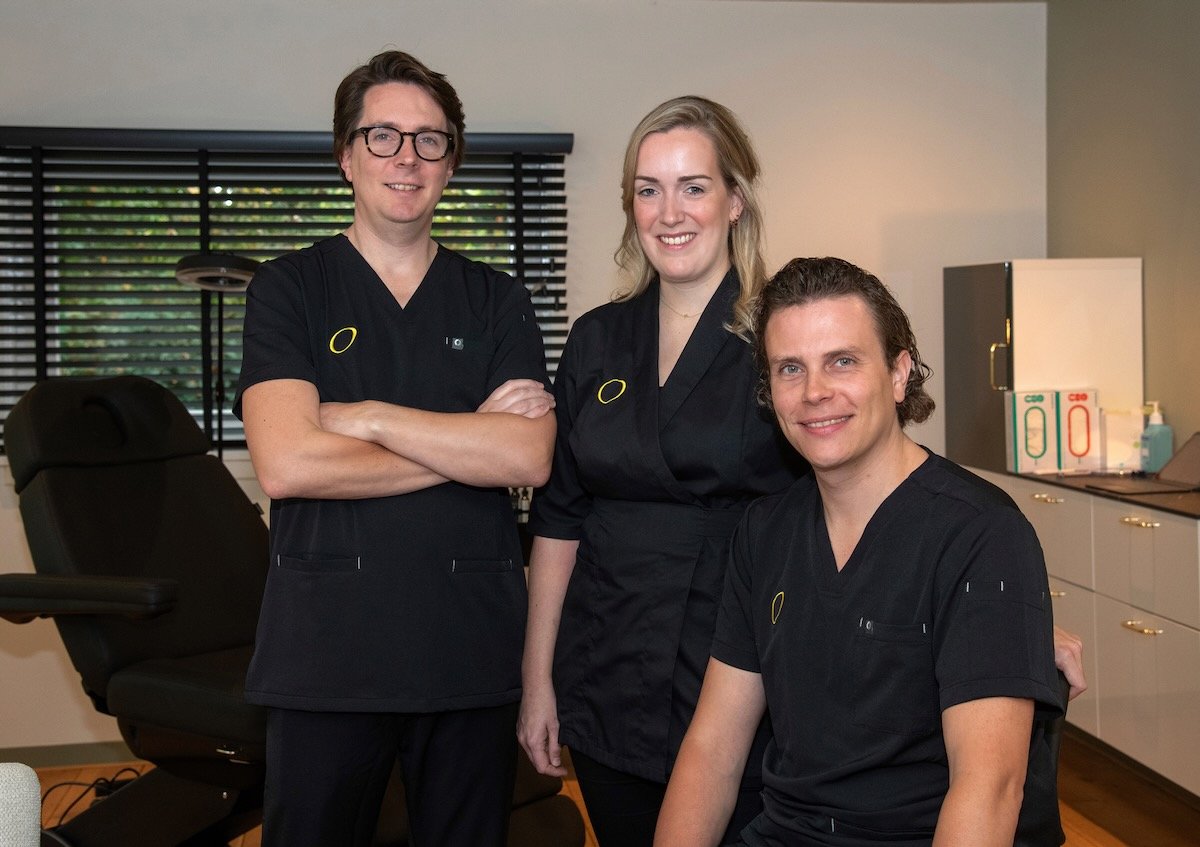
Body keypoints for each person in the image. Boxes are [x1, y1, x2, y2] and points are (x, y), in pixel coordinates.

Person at [235, 50, 555, 847]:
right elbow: (288, 463)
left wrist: (369, 416)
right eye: (382, 136)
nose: (407, 157)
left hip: (467, 651)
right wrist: (467, 434)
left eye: (429, 140)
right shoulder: (288, 289)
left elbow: (527, 458)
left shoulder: (497, 299)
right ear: (346, 156)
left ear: (451, 163)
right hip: (327, 657)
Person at [655, 257, 1066, 847]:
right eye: (790, 368)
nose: (815, 392)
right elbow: (712, 749)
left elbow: (989, 788)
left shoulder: (981, 534)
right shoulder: (764, 532)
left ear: (899, 374)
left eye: (842, 361)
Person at [517, 96, 809, 847]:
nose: (669, 212)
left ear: (734, 200)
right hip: (606, 663)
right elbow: (559, 519)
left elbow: (865, 486)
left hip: (738, 668)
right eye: (648, 190)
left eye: (693, 187)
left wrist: (996, 603)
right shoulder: (596, 339)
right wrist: (537, 678)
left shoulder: (781, 336)